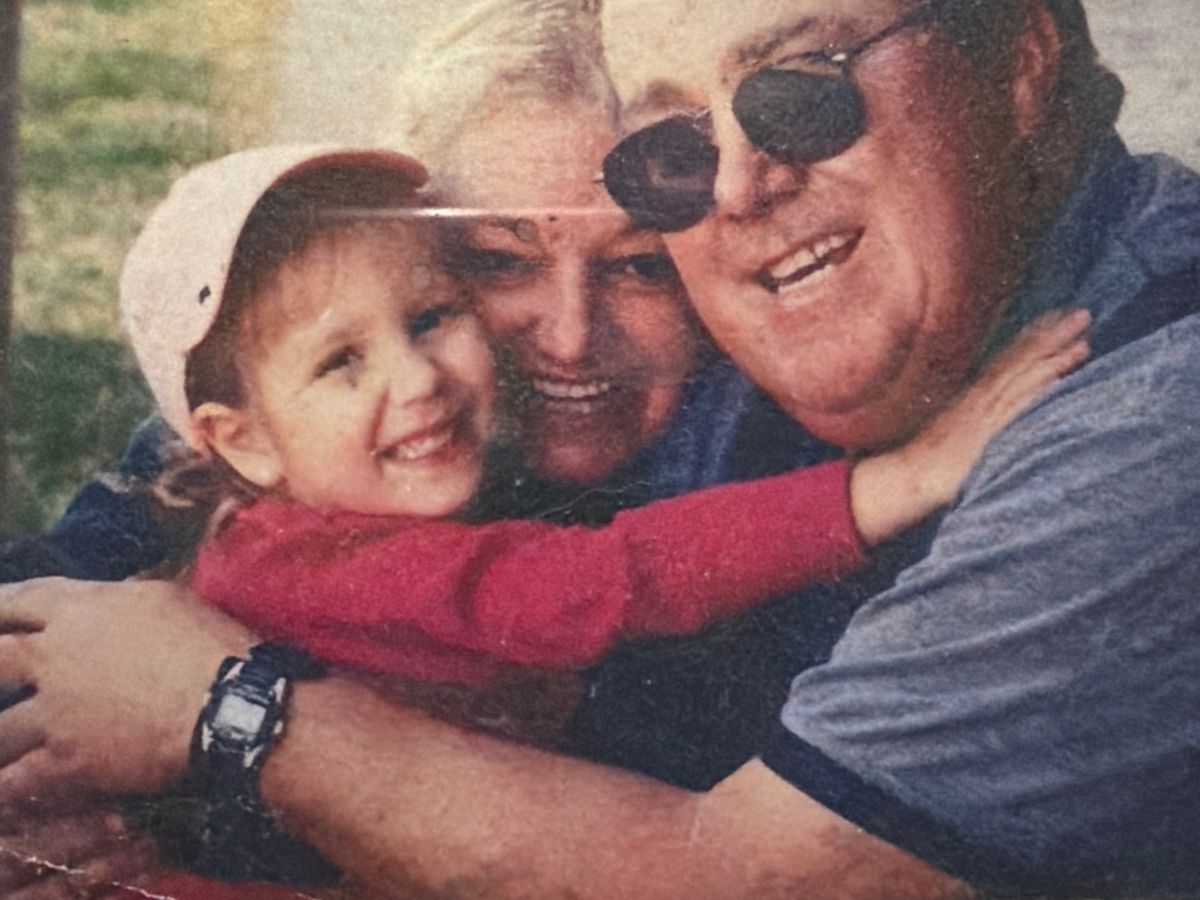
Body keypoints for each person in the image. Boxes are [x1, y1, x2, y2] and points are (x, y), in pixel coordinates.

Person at [2, 0, 1199, 896]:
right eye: (493, 263)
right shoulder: (369, 408)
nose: (566, 338)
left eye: (635, 266)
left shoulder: (800, 386)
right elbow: (83, 573)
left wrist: (221, 708)